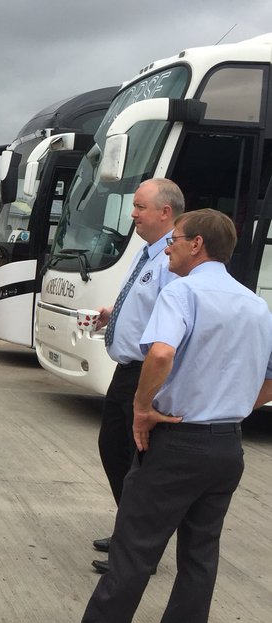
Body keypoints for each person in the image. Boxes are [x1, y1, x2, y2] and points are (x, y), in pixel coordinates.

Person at [36, 209, 272, 623]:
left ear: (197, 245)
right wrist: (232, 407)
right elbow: (268, 378)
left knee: (134, 548)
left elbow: (161, 352)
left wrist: (142, 408)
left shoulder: (182, 292)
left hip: (178, 442)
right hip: (226, 446)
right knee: (200, 556)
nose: (168, 250)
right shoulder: (256, 305)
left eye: (175, 240)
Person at [90, 178, 184, 573]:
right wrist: (115, 315)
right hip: (126, 369)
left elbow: (175, 322)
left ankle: (139, 547)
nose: (133, 214)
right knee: (116, 449)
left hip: (144, 373)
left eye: (140, 207)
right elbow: (147, 307)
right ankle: (129, 533)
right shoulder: (147, 253)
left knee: (134, 458)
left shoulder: (172, 260)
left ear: (165, 212)